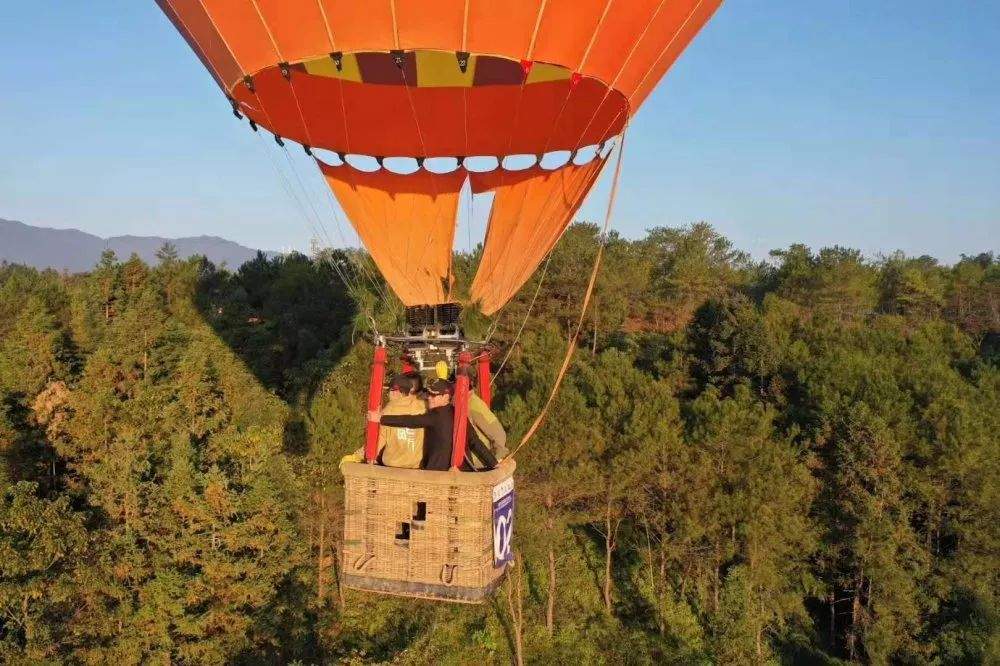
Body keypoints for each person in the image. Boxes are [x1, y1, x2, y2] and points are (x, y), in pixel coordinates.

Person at [370, 378, 498, 471]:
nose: (429, 397)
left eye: (434, 395)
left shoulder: (436, 416)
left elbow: (410, 421)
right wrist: (493, 463)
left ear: (446, 396)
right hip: (462, 470)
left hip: (437, 473)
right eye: (429, 394)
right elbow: (474, 442)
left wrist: (381, 419)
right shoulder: (458, 414)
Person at [433, 360, 508, 470]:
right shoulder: (458, 402)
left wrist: (496, 461)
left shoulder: (474, 405)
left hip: (476, 464)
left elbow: (498, 434)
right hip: (463, 463)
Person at [341, 373, 425, 468]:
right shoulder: (424, 407)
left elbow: (377, 443)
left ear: (395, 392)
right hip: (417, 465)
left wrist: (358, 456)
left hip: (393, 466)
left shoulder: (388, 411)